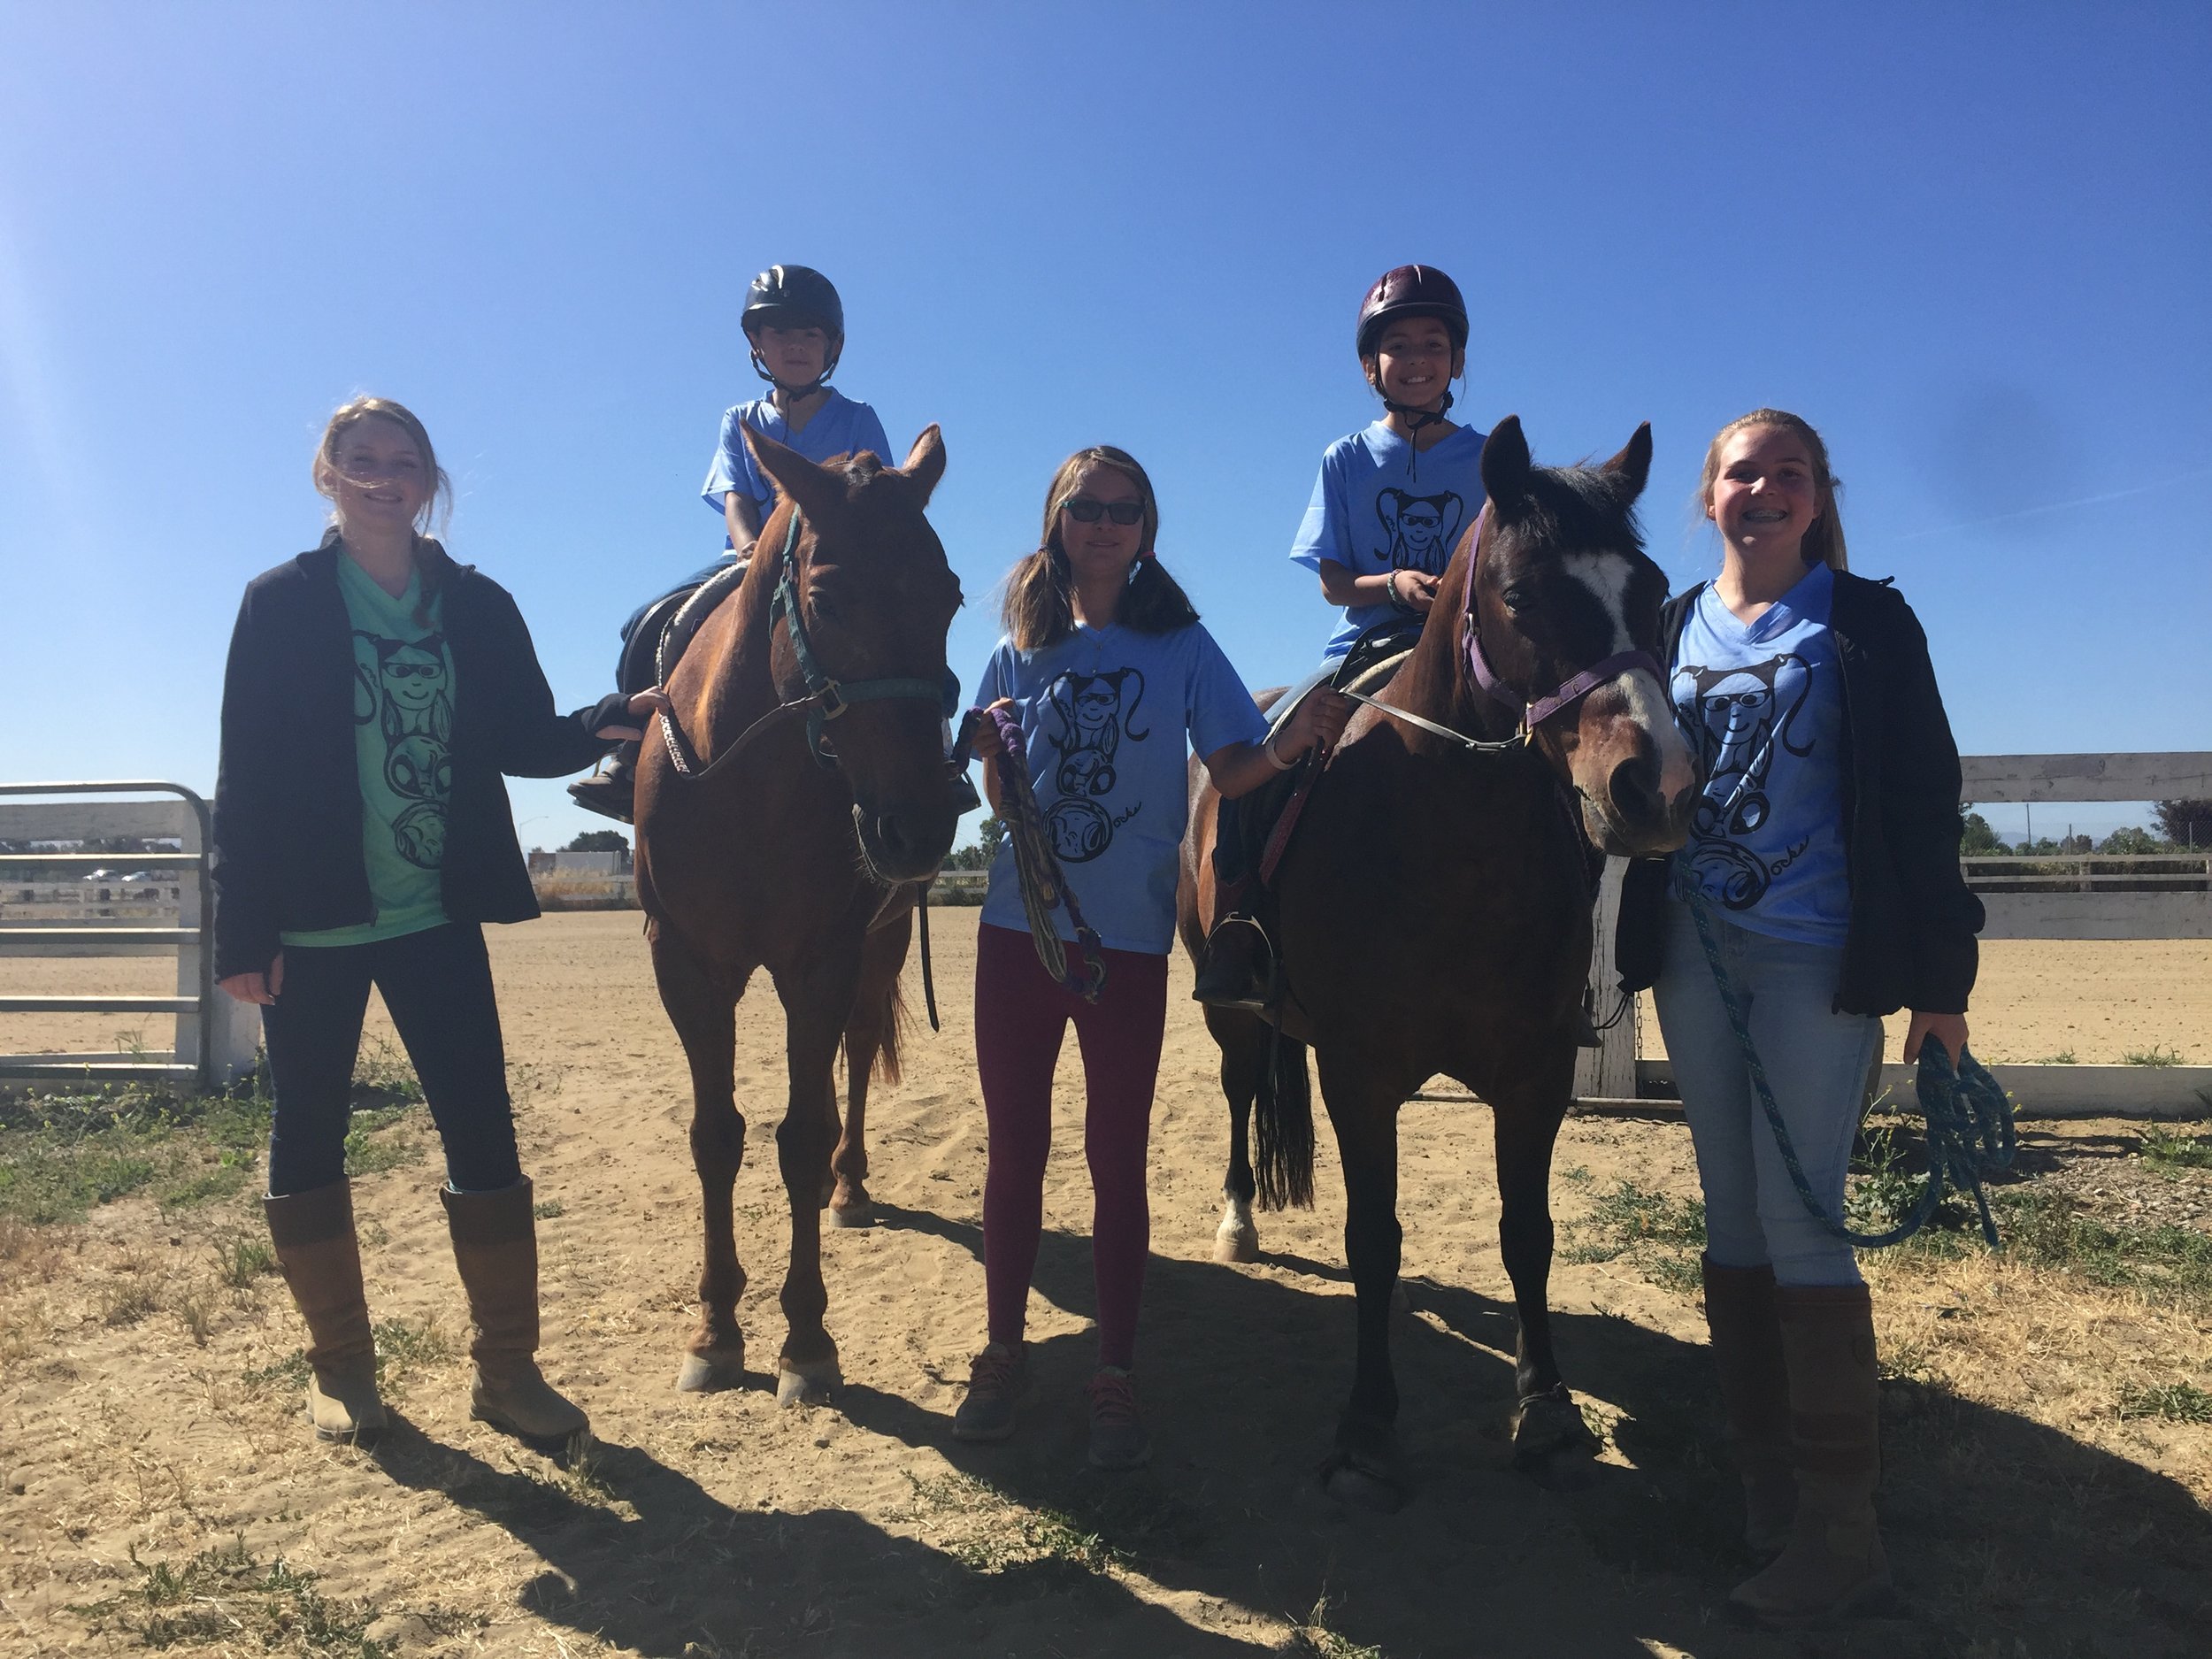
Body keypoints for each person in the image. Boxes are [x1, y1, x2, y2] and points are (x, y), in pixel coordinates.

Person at [213, 396, 665, 1448]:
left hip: (434, 914)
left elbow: (522, 736)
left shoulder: (476, 602)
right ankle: (340, 1372)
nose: (384, 476)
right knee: (307, 1134)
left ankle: (507, 1373)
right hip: (314, 925)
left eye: (403, 461)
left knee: (484, 1133)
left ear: (428, 479)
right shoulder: (278, 602)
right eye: (362, 459)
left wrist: (611, 717)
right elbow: (247, 773)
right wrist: (244, 932)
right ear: (328, 472)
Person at [1614, 409, 1984, 1626]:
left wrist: (1943, 985)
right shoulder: (1668, 624)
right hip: (1694, 952)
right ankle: (1768, 1487)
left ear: (1820, 495)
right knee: (1731, 1219)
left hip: (1817, 956)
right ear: (1707, 497)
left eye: (1787, 472)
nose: (1762, 488)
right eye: (1740, 472)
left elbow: (1927, 796)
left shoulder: (1868, 621)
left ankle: (1843, 1533)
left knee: (1803, 1220)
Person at [955, 447, 1348, 1469]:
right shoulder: (1013, 649)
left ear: (1147, 528)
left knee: (1114, 1161)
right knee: (1014, 1157)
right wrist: (994, 760)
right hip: (1016, 936)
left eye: (1124, 510)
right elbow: (1005, 801)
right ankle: (1001, 1352)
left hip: (1124, 947)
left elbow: (1233, 764)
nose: (1104, 524)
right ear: (1056, 520)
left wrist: (1294, 737)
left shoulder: (1180, 643)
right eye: (1086, 508)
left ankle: (1114, 1372)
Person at [1192, 264, 1488, 1009]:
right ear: (1370, 365)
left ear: (1457, 361)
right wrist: (1393, 585)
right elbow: (1330, 581)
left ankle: (1562, 958)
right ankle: (1240, 926)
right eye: (1398, 345)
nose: (1416, 359)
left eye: (1433, 343)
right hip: (1363, 644)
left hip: (1464, 648)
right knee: (1269, 753)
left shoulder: (1488, 459)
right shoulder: (1346, 458)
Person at [569, 264, 894, 821]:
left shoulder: (859, 418)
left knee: (906, 626)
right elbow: (736, 496)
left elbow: (876, 500)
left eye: (809, 334)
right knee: (645, 621)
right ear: (756, 344)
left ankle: (934, 749)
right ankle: (629, 753)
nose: (795, 346)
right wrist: (749, 548)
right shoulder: (739, 418)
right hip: (747, 557)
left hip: (834, 564)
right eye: (779, 333)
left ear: (832, 346)